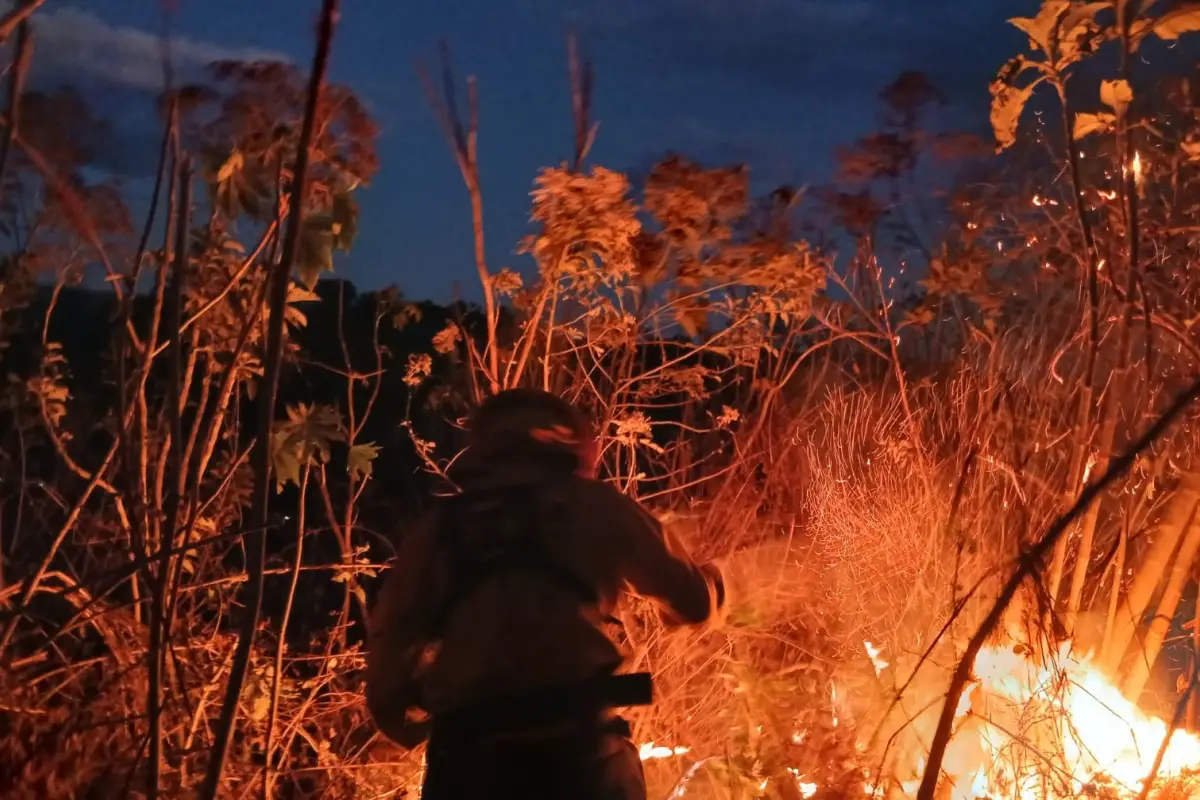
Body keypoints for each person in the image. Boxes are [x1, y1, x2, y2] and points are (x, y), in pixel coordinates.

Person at [365, 388, 726, 800]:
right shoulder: (595, 505)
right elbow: (695, 603)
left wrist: (419, 724)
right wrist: (714, 582)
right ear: (573, 445)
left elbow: (387, 676)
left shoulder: (436, 531)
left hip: (469, 764)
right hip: (580, 760)